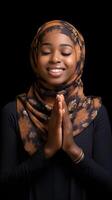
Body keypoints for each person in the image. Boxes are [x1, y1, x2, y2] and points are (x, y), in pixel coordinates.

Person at [0, 19, 112, 200]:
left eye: (66, 52)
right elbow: (5, 186)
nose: (55, 59)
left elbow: (107, 186)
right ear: (34, 56)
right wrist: (48, 150)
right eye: (45, 51)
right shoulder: (14, 111)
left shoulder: (95, 112)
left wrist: (72, 149)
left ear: (79, 56)